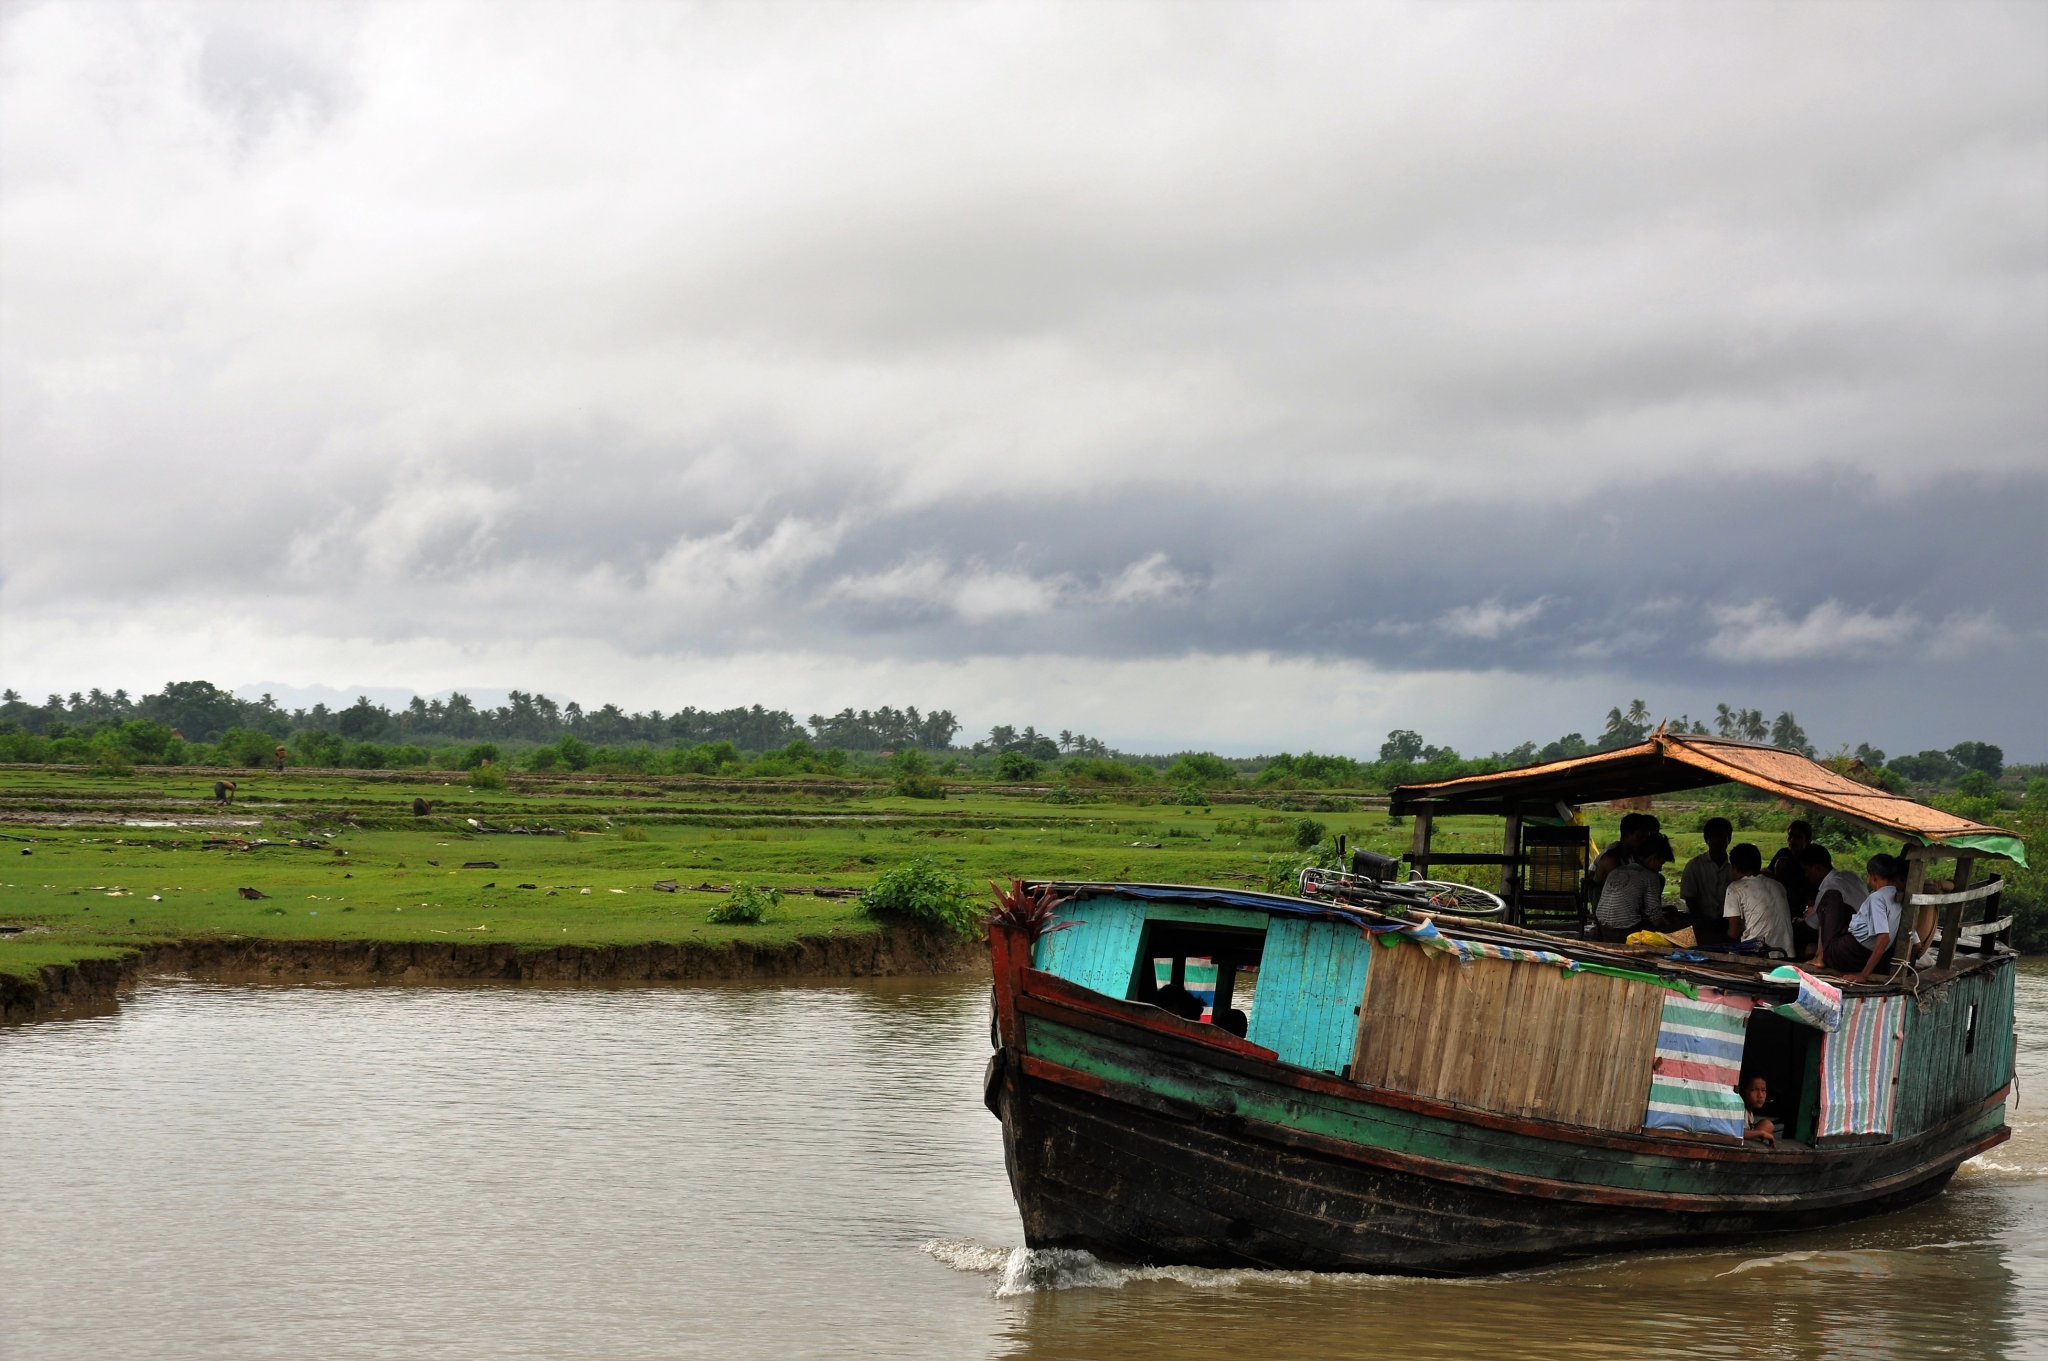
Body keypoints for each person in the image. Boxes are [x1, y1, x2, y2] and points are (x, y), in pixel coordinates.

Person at [1812, 853, 1905, 983]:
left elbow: (1883, 938)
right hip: (1861, 954)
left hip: (1846, 955)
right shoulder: (1898, 897)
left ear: (1873, 877)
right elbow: (1916, 943)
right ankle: (1821, 955)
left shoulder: (1877, 898)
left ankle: (1820, 956)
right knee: (1847, 910)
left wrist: (1863, 975)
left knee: (1831, 896)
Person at [1594, 833, 1678, 942]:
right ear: (1653, 858)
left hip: (1603, 928)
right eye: (1661, 863)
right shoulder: (1650, 877)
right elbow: (1656, 920)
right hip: (1626, 930)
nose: (1660, 868)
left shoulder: (1616, 871)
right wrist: (1669, 925)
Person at [1722, 843, 1793, 957]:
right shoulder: (1778, 885)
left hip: (1759, 955)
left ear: (1735, 868)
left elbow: (1733, 933)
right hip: (1787, 953)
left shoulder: (1734, 888)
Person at [1680, 817, 1735, 944]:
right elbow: (1690, 899)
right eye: (1714, 837)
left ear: (1729, 839)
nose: (1719, 841)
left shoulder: (1735, 866)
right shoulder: (1694, 866)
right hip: (1701, 924)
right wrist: (1705, 922)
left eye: (1722, 837)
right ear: (1706, 840)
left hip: (1728, 923)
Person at [1593, 813, 1661, 888]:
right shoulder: (1610, 859)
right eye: (1640, 836)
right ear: (1627, 834)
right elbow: (1626, 887)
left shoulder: (1632, 855)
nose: (1644, 840)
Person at [1768, 820, 1817, 921]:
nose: (1792, 841)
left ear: (1808, 841)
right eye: (1790, 836)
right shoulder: (1783, 853)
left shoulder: (1812, 859)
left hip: (1801, 909)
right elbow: (1767, 874)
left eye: (1798, 837)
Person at [1740, 1074, 1778, 1144]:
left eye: (1763, 1090)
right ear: (1743, 1092)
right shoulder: (1739, 1109)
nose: (1760, 1095)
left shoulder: (1749, 1112)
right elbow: (1736, 1132)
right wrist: (1761, 1133)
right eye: (1754, 1090)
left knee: (1767, 1125)